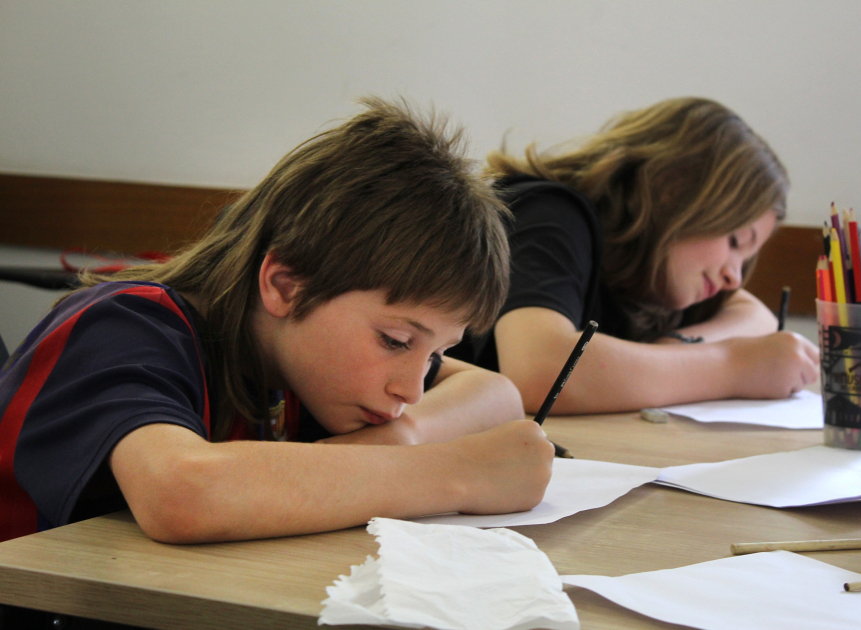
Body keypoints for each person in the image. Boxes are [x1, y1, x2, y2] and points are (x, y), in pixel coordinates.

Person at [0, 98, 554, 545]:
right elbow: (182, 494)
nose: (411, 387)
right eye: (396, 341)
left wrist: (402, 436)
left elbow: (494, 392)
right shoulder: (124, 327)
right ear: (286, 286)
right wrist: (454, 473)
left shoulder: (302, 363)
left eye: (433, 355)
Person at [449, 97, 819, 414]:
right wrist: (732, 365)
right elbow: (540, 368)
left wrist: (673, 350)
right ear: (674, 190)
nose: (733, 277)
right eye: (736, 241)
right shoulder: (552, 215)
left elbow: (753, 316)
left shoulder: (653, 273)